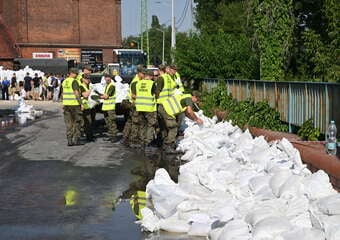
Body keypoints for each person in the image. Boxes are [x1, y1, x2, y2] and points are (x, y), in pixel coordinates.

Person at [133, 69, 158, 150]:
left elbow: (135, 95)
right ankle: (148, 142)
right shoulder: (152, 84)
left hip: (139, 107)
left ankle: (142, 141)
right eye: (153, 76)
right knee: (151, 125)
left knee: (142, 125)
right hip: (149, 108)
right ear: (150, 76)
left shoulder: (138, 83)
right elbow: (157, 94)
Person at [121, 65, 145, 147]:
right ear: (138, 73)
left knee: (130, 121)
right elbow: (133, 95)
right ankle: (134, 140)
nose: (144, 75)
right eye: (143, 73)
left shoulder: (139, 80)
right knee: (136, 122)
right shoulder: (136, 82)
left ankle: (125, 137)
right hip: (134, 104)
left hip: (134, 104)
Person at [61, 68, 83, 146]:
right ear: (72, 73)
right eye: (76, 74)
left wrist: (63, 103)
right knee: (77, 122)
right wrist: (81, 103)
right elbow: (76, 93)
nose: (76, 75)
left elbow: (62, 94)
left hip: (67, 105)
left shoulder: (64, 81)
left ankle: (69, 140)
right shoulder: (74, 81)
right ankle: (77, 140)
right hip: (75, 105)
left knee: (69, 123)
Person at [99, 74, 119, 143]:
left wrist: (98, 96)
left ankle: (114, 136)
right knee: (108, 123)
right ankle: (110, 136)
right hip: (106, 108)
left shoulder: (112, 86)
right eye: (106, 77)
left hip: (110, 108)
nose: (107, 79)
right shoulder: (107, 86)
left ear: (110, 78)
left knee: (112, 122)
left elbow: (106, 96)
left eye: (108, 77)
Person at [79, 74, 94, 141]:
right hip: (82, 106)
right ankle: (81, 135)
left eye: (88, 79)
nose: (88, 80)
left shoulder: (88, 86)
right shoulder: (81, 86)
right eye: (86, 79)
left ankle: (89, 136)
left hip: (87, 106)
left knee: (88, 122)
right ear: (83, 79)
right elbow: (85, 95)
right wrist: (91, 90)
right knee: (83, 122)